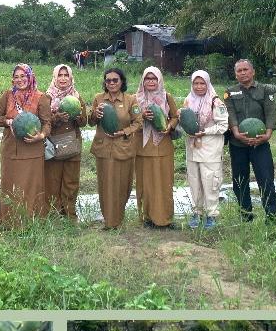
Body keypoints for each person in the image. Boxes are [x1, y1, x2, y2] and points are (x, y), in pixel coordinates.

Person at [0, 64, 51, 226]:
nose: (20, 80)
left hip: (32, 150)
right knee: (10, 184)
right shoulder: (7, 96)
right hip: (11, 149)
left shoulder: (41, 97)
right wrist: (7, 121)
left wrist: (41, 135)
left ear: (30, 76)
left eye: (23, 76)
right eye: (16, 77)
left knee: (31, 185)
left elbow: (47, 123)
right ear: (13, 79)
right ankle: (9, 221)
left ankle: (31, 222)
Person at [224, 59, 276, 223]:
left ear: (253, 71)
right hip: (237, 144)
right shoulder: (230, 92)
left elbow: (270, 112)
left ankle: (272, 216)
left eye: (245, 70)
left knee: (266, 179)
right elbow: (230, 112)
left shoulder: (265, 89)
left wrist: (268, 134)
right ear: (235, 74)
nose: (242, 73)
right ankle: (245, 215)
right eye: (239, 71)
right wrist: (235, 132)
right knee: (239, 181)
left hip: (260, 143)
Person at [89, 68, 143, 230]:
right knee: (105, 185)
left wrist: (123, 132)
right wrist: (94, 115)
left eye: (115, 80)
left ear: (122, 82)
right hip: (103, 148)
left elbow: (138, 123)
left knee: (123, 185)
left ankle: (118, 217)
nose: (111, 83)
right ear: (105, 83)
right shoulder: (98, 99)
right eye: (108, 80)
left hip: (123, 148)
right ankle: (109, 221)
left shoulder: (131, 100)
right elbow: (90, 122)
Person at [182, 70, 229, 229]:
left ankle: (212, 215)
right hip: (193, 148)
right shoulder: (189, 100)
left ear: (208, 83)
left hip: (210, 148)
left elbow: (223, 126)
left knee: (210, 182)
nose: (199, 86)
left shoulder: (216, 102)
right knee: (194, 181)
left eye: (202, 83)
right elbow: (186, 121)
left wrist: (205, 131)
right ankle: (197, 212)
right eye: (196, 83)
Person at [135, 67, 180, 229]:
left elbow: (175, 117)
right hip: (143, 146)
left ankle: (165, 219)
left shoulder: (167, 97)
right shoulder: (136, 99)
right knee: (146, 183)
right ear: (143, 81)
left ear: (160, 80)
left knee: (164, 183)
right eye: (148, 79)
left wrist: (169, 125)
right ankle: (148, 218)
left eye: (154, 79)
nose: (151, 82)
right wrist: (142, 116)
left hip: (163, 145)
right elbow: (130, 120)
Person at [44, 63, 87, 221]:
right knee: (52, 181)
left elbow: (84, 122)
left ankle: (69, 215)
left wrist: (77, 117)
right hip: (53, 145)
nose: (63, 78)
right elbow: (44, 121)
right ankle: (52, 216)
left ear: (71, 78)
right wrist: (56, 118)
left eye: (66, 75)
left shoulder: (76, 97)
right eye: (60, 75)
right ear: (54, 77)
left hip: (71, 144)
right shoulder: (47, 97)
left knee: (71, 182)